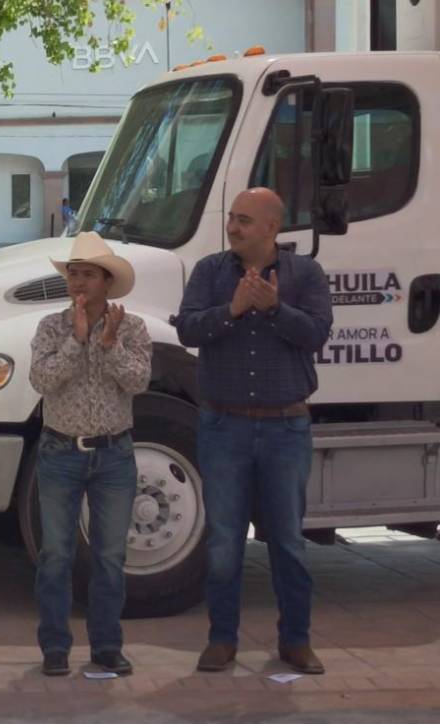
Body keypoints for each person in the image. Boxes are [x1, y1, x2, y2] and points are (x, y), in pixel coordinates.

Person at [175, 187, 332, 675]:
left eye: (244, 220)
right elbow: (187, 330)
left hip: (286, 427)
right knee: (224, 542)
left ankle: (296, 641)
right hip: (224, 426)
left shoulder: (305, 274)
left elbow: (317, 335)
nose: (233, 227)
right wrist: (234, 309)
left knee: (287, 541)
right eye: (232, 218)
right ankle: (222, 639)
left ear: (272, 227)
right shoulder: (210, 271)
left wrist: (275, 308)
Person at [30, 232, 151, 677]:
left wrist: (109, 344)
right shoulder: (51, 326)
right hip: (60, 450)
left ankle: (106, 646)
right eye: (73, 274)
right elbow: (41, 380)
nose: (78, 282)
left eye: (88, 275)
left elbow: (138, 381)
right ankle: (55, 648)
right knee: (56, 555)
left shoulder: (132, 328)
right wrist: (77, 341)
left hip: (113, 453)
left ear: (106, 281)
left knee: (110, 556)